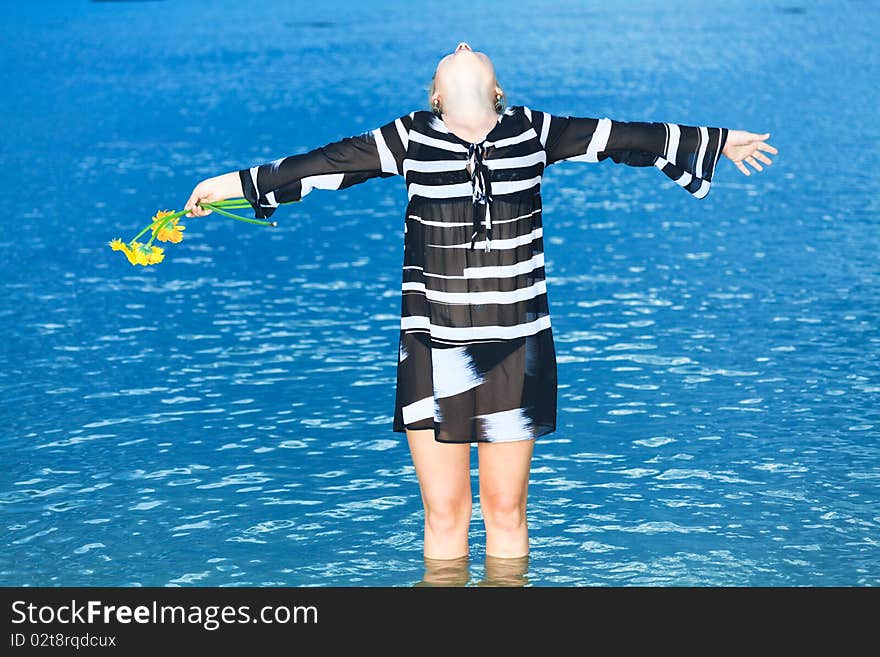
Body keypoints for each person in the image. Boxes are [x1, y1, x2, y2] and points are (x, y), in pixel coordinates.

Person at [183, 42, 777, 564]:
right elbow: (319, 167)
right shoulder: (409, 136)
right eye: (448, 58)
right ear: (436, 97)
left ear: (497, 91)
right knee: (443, 516)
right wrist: (224, 187)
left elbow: (622, 138)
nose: (463, 43)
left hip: (514, 346)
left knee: (506, 512)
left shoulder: (534, 130)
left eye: (473, 51)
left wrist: (717, 142)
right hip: (430, 345)